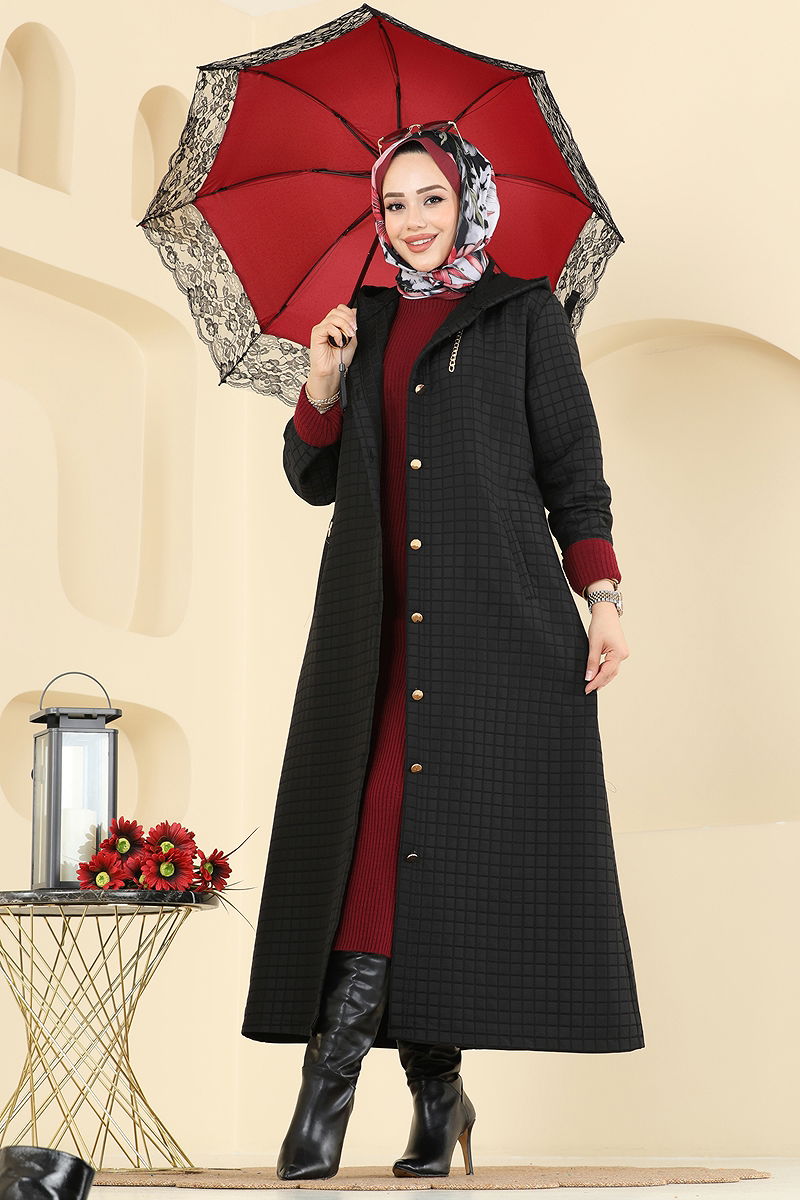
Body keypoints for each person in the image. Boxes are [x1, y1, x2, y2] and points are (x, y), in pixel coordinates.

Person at [241, 121, 642, 1182]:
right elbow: (312, 480)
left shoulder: (523, 315)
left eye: (431, 198)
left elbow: (573, 470)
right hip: (372, 635)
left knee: (442, 856)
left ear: (468, 199)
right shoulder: (360, 323)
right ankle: (426, 1095)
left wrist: (601, 597)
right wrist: (323, 382)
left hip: (493, 632)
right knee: (376, 835)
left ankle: (340, 1097)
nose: (413, 221)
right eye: (394, 204)